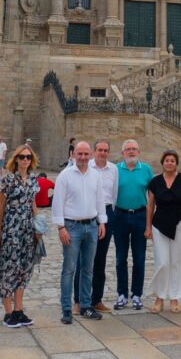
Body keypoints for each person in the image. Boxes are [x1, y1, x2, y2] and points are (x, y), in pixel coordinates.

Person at [0, 143, 39, 328]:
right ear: (15, 159)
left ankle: (19, 310)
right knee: (9, 269)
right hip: (11, 230)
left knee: (24, 270)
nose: (25, 160)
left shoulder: (33, 180)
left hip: (27, 231)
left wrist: (38, 228)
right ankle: (8, 313)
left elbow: (33, 206)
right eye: (22, 157)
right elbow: (2, 208)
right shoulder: (8, 181)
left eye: (28, 157)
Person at [53, 140, 106, 324]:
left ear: (90, 154)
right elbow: (57, 203)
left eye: (86, 154)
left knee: (88, 269)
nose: (83, 157)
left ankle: (85, 305)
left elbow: (100, 200)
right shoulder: (65, 176)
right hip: (72, 227)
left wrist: (102, 222)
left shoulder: (95, 176)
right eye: (79, 154)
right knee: (69, 269)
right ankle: (67, 308)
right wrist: (61, 227)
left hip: (91, 226)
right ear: (73, 155)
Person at [145, 149, 181, 313]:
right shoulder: (155, 182)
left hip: (179, 224)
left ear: (176, 163)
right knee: (162, 262)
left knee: (176, 262)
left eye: (172, 160)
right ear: (162, 163)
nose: (169, 163)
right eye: (167, 160)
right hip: (159, 225)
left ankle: (174, 297)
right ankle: (159, 297)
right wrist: (147, 227)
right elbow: (150, 205)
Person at [73, 138, 119, 313]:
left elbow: (114, 194)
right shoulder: (86, 166)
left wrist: (107, 216)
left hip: (106, 213)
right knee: (83, 259)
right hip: (88, 213)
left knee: (100, 259)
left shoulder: (113, 169)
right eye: (100, 150)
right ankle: (78, 300)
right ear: (94, 152)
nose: (103, 153)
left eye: (105, 150)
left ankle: (96, 299)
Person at [113, 138, 153, 310]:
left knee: (139, 258)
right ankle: (121, 293)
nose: (131, 152)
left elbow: (152, 195)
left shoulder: (146, 169)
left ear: (139, 152)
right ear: (122, 153)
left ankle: (137, 294)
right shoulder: (115, 170)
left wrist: (149, 224)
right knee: (120, 257)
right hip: (120, 216)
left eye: (134, 149)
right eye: (128, 149)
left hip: (140, 215)